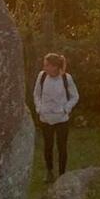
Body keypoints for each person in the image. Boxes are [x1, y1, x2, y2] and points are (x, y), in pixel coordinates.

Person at [33, 52, 79, 182]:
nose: (44, 67)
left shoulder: (66, 78)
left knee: (62, 147)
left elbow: (75, 96)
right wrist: (39, 108)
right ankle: (49, 171)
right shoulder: (41, 76)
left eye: (47, 65)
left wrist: (66, 108)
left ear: (55, 66)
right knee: (48, 146)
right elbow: (36, 94)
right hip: (45, 118)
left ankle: (62, 174)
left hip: (61, 119)